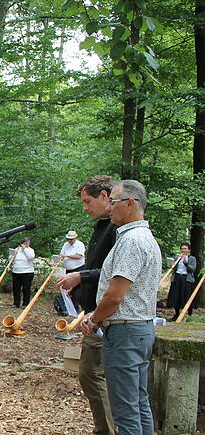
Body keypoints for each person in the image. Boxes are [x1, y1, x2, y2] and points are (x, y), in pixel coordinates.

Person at [80, 180, 162, 435]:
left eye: (114, 202)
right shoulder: (142, 237)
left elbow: (115, 296)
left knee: (125, 411)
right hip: (140, 329)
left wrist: (94, 319)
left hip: (126, 332)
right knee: (138, 404)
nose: (110, 207)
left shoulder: (132, 241)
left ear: (130, 203)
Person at [56, 175, 118, 435]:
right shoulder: (102, 226)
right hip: (94, 311)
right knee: (92, 374)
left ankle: (107, 431)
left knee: (91, 374)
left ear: (105, 196)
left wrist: (81, 275)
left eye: (88, 201)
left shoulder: (118, 228)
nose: (85, 208)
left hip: (107, 313)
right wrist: (78, 280)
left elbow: (114, 271)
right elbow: (97, 268)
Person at [168, 243, 198, 320]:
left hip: (187, 279)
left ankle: (189, 314)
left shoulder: (192, 258)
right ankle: (176, 313)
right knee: (176, 296)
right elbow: (174, 269)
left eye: (185, 249)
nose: (183, 250)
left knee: (187, 296)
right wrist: (172, 264)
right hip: (178, 278)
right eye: (182, 249)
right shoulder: (177, 258)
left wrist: (185, 262)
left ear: (189, 250)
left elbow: (192, 269)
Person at [59, 230, 86, 310]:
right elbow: (62, 254)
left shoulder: (80, 244)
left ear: (75, 238)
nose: (70, 241)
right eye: (68, 239)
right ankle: (67, 307)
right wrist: (62, 257)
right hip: (68, 269)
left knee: (76, 289)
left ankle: (76, 308)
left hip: (78, 268)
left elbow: (78, 256)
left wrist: (67, 255)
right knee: (67, 288)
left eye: (71, 239)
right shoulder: (65, 245)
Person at [11, 237, 36, 308]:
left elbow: (31, 257)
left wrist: (25, 249)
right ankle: (16, 303)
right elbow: (11, 259)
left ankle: (25, 303)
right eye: (25, 242)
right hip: (16, 272)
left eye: (28, 242)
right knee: (16, 288)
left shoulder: (30, 250)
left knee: (26, 288)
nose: (26, 243)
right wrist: (13, 254)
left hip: (27, 272)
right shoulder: (17, 249)